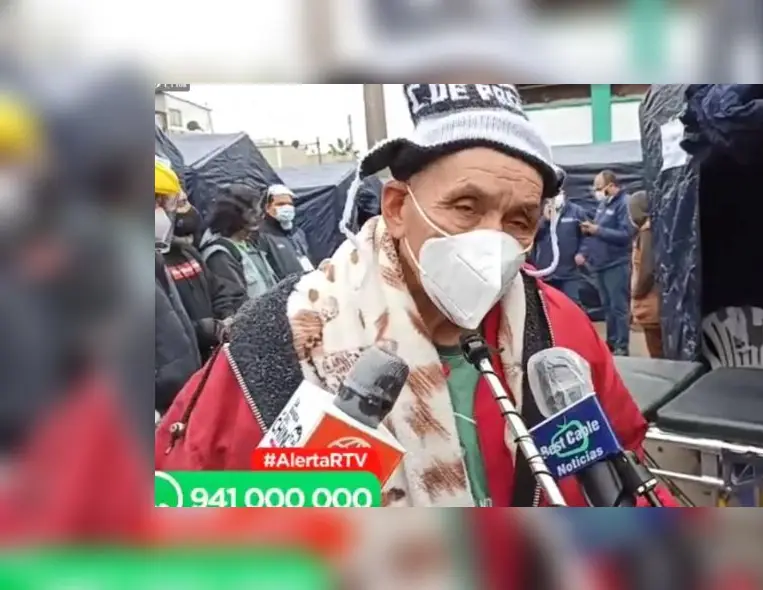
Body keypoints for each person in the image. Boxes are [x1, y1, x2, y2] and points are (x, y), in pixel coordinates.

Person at [155, 84, 675, 508]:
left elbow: (626, 473)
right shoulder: (281, 339)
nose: (491, 240)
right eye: (466, 206)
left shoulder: (559, 329)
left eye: (519, 219)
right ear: (399, 207)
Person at [162, 191, 235, 361]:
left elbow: (218, 291)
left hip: (214, 357)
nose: (186, 211)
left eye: (185, 202)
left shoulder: (189, 252)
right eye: (178, 204)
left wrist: (227, 316)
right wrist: (204, 329)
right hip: (186, 361)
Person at [154, 159, 201, 414]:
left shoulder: (153, 262)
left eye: (163, 204)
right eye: (154, 203)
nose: (161, 214)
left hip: (180, 404)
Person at [198, 183, 278, 316]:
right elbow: (231, 306)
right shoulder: (219, 254)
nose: (260, 215)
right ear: (234, 214)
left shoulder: (251, 245)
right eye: (253, 211)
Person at [579, 170, 635, 356]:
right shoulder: (603, 205)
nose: (596, 192)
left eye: (599, 188)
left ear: (611, 186)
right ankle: (611, 342)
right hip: (602, 265)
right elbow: (598, 230)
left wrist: (598, 230)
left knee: (619, 307)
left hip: (617, 264)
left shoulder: (624, 204)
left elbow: (626, 235)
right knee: (608, 307)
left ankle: (622, 345)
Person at [530, 191, 586, 306]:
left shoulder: (576, 212)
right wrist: (545, 220)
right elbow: (532, 236)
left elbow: (587, 236)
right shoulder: (540, 212)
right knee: (548, 307)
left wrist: (583, 252)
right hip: (546, 272)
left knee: (572, 305)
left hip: (569, 272)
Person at [627, 191, 664, 358]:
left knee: (657, 352)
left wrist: (636, 293)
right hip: (658, 303)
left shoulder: (647, 233)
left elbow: (648, 269)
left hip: (652, 304)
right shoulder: (657, 228)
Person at [257, 184, 315, 278]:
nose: (287, 207)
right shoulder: (262, 235)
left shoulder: (298, 233)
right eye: (280, 204)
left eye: (290, 204)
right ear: (268, 207)